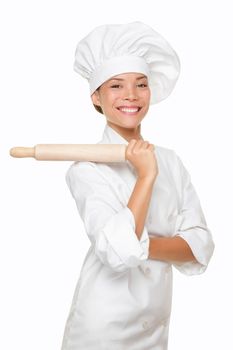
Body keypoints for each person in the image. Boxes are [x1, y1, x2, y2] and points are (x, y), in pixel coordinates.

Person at [61, 22, 215, 349]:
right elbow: (117, 254)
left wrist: (140, 246)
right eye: (116, 86)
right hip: (103, 327)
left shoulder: (170, 161)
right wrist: (146, 177)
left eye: (141, 84)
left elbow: (200, 245)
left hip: (156, 327)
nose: (131, 95)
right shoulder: (86, 169)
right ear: (96, 96)